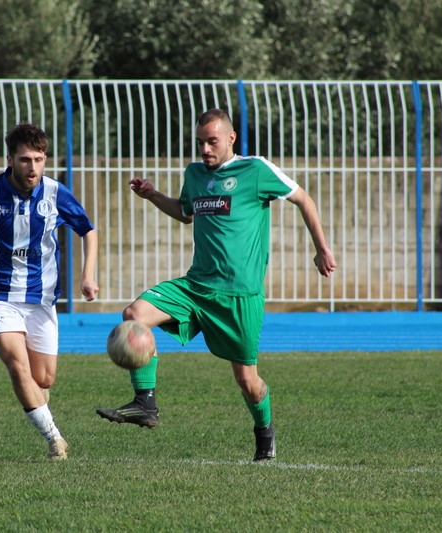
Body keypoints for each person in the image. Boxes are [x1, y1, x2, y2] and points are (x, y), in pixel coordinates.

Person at [96, 108, 336, 462]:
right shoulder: (194, 174)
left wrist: (321, 248)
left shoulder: (256, 170)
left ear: (231, 138)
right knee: (134, 314)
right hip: (196, 287)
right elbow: (185, 213)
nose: (205, 149)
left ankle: (264, 432)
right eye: (200, 142)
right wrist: (153, 195)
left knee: (248, 381)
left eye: (212, 141)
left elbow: (303, 198)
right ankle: (145, 403)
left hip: (240, 296)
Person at [0, 122, 99, 461]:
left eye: (39, 159)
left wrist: (87, 275)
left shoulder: (56, 193)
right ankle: (55, 440)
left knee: (43, 379)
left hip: (42, 298)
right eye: (24, 159)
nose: (32, 167)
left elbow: (88, 231)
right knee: (17, 365)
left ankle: (39, 410)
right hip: (0, 297)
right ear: (10, 159)